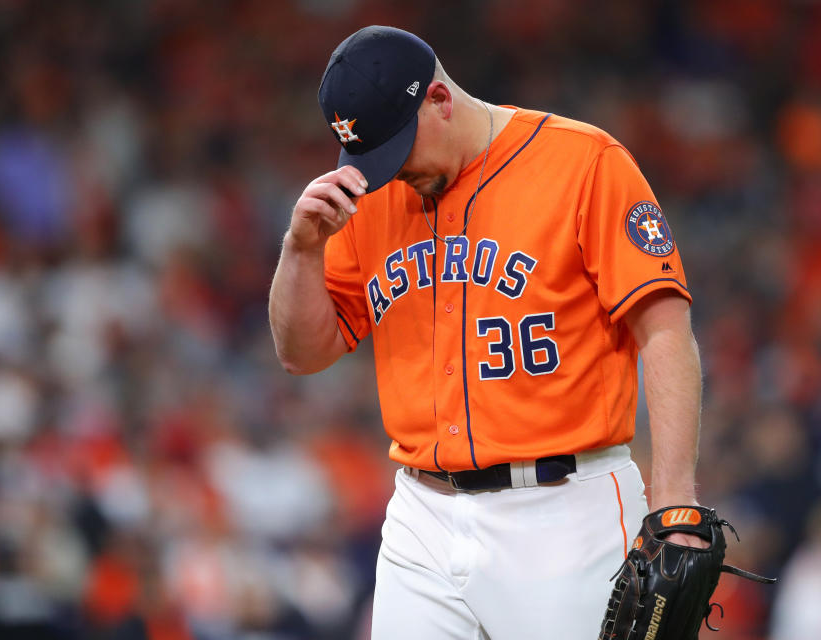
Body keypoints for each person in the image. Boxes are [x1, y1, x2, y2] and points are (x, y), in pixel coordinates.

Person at [268, 25, 705, 639]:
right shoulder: (369, 196)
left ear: (439, 100)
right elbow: (303, 354)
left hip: (563, 511)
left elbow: (665, 332)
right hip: (422, 511)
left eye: (397, 147)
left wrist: (674, 501)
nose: (390, 173)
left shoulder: (584, 163)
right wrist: (301, 249)